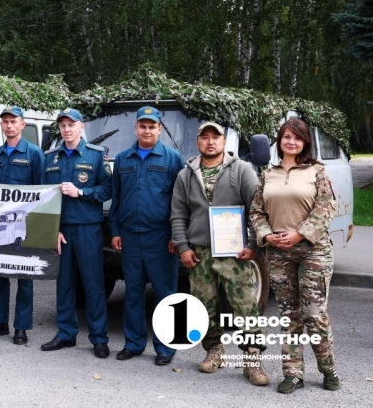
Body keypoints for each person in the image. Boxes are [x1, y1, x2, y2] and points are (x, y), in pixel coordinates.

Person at [170, 122, 268, 385]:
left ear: (224, 142)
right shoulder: (186, 174)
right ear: (198, 142)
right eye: (205, 138)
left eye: (216, 137)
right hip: (199, 251)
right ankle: (214, 350)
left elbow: (257, 209)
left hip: (234, 251)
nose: (210, 142)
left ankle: (252, 357)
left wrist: (253, 244)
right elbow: (178, 214)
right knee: (204, 305)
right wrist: (183, 247)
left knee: (245, 304)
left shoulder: (242, 170)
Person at [250, 117, 339, 394]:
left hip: (314, 250)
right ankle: (293, 373)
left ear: (305, 142)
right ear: (280, 141)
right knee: (289, 316)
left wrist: (300, 234)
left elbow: (326, 207)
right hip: (279, 253)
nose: (291, 141)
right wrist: (265, 235)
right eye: (287, 137)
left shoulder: (317, 171)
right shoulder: (268, 174)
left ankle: (328, 369)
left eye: (297, 138)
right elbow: (256, 212)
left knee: (314, 314)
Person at [110, 106, 184, 366]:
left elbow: (180, 201)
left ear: (160, 129)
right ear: (136, 128)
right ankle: (133, 343)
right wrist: (116, 231)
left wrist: (178, 235)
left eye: (152, 126)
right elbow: (117, 198)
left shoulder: (173, 159)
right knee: (133, 293)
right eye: (143, 125)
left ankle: (165, 347)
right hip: (130, 237)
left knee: (165, 293)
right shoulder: (122, 159)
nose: (147, 130)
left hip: (161, 237)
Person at [40, 108, 112, 358]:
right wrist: (53, 229)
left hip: (87, 228)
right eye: (63, 125)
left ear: (81, 127)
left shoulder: (95, 155)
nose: (67, 129)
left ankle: (99, 338)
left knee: (93, 284)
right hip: (62, 230)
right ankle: (65, 333)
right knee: (64, 284)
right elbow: (44, 196)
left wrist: (81, 192)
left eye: (72, 124)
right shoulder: (50, 158)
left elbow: (107, 190)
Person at [0, 106, 44, 345]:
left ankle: (21, 328)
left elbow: (42, 191)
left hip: (20, 225)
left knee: (23, 278)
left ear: (22, 124)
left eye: (13, 121)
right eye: (5, 122)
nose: (9, 125)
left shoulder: (35, 154)